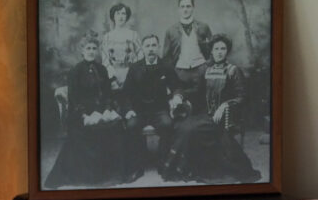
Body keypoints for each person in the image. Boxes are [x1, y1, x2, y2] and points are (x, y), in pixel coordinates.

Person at [161, 33, 259, 184]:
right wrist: (179, 96)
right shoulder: (206, 70)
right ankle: (178, 168)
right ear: (211, 51)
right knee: (182, 125)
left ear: (227, 51)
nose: (220, 52)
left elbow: (243, 97)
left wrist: (225, 105)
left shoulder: (233, 71)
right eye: (216, 49)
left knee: (190, 129)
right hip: (206, 116)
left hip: (226, 117)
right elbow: (195, 91)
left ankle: (181, 168)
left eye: (223, 48)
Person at [44, 32, 132, 189]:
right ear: (82, 51)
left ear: (97, 51)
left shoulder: (103, 69)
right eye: (88, 48)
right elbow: (74, 99)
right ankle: (91, 176)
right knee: (87, 131)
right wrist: (85, 115)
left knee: (116, 127)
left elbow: (107, 95)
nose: (91, 51)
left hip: (101, 111)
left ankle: (113, 172)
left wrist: (106, 110)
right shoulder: (75, 72)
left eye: (94, 48)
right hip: (80, 114)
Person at [120, 34, 177, 176]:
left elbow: (177, 86)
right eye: (147, 46)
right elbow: (125, 93)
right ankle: (138, 165)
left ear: (158, 47)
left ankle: (163, 163)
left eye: (153, 45)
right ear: (143, 49)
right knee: (131, 125)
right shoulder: (135, 68)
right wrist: (128, 110)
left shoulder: (166, 66)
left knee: (168, 124)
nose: (151, 49)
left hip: (159, 110)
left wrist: (176, 97)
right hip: (139, 111)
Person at [162, 0, 212, 99]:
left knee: (202, 100)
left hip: (201, 69)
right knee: (182, 101)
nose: (185, 9)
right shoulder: (171, 31)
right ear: (179, 9)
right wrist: (171, 74)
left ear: (193, 8)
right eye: (182, 7)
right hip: (180, 71)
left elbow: (213, 49)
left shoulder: (204, 27)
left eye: (188, 6)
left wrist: (207, 65)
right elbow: (166, 57)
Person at [101, 2, 142, 90]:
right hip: (112, 75)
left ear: (127, 16)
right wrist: (112, 75)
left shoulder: (133, 35)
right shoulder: (107, 37)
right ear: (113, 16)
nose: (121, 16)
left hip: (131, 72)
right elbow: (104, 59)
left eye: (123, 13)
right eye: (118, 13)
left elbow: (140, 55)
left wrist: (134, 71)